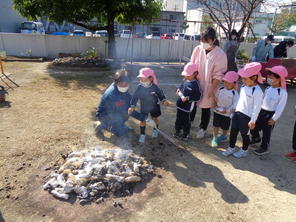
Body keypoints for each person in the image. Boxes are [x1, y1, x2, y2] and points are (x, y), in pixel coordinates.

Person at [190, 27, 228, 139]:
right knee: (192, 103)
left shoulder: (220, 54)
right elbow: (192, 65)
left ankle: (202, 128)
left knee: (205, 107)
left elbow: (219, 74)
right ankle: (189, 121)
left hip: (209, 85)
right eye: (202, 40)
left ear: (213, 40)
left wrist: (212, 89)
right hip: (195, 83)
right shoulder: (198, 49)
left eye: (206, 41)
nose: (203, 43)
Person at [222, 62, 264, 158]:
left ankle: (244, 150)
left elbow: (257, 107)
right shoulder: (244, 87)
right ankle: (231, 147)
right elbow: (240, 99)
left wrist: (253, 120)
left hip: (247, 117)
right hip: (237, 113)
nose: (243, 81)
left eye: (245, 79)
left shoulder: (257, 91)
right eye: (242, 78)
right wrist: (234, 108)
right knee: (233, 132)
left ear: (254, 78)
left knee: (245, 134)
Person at [250, 65, 288, 155]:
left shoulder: (282, 92)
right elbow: (263, 100)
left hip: (271, 114)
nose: (269, 79)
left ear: (279, 79)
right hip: (261, 111)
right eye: (268, 77)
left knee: (266, 133)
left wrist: (274, 118)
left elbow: (280, 107)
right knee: (253, 127)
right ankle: (256, 138)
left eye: (272, 77)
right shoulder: (268, 88)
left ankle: (264, 147)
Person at [95, 69, 145, 137]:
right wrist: (142, 118)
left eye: (126, 83)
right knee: (123, 132)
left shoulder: (124, 88)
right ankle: (103, 125)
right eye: (121, 83)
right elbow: (126, 109)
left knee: (123, 117)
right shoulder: (112, 95)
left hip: (115, 111)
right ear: (116, 82)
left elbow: (129, 103)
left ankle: (118, 126)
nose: (124, 86)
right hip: (105, 115)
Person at [128, 67, 170, 143]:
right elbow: (134, 97)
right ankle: (142, 134)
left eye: (144, 79)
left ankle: (155, 130)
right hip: (144, 106)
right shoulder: (139, 87)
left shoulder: (154, 87)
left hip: (155, 106)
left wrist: (164, 100)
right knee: (143, 120)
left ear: (150, 78)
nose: (142, 81)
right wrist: (132, 106)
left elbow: (160, 94)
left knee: (154, 118)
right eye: (140, 79)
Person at [174, 62, 202, 141]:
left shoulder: (195, 84)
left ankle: (185, 134)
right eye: (185, 74)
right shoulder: (185, 80)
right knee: (178, 119)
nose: (186, 76)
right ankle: (177, 131)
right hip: (180, 105)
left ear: (195, 73)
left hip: (187, 107)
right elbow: (179, 88)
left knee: (186, 121)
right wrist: (178, 91)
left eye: (188, 74)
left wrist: (188, 98)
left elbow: (198, 96)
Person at [211, 71, 239, 148]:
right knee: (215, 125)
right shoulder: (221, 89)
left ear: (234, 83)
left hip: (227, 113)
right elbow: (216, 97)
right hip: (217, 111)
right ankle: (214, 138)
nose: (226, 84)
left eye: (229, 83)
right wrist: (215, 104)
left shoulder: (235, 93)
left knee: (225, 126)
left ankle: (224, 136)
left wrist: (227, 110)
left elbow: (235, 104)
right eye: (225, 82)